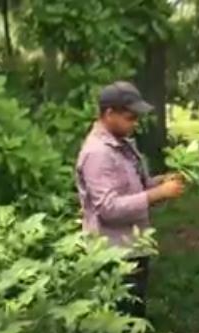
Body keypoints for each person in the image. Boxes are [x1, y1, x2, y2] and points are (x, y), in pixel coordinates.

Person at [76, 81, 185, 318]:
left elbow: (134, 187)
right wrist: (159, 194)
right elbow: (108, 208)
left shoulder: (121, 144)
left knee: (135, 313)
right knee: (121, 319)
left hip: (132, 246)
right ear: (109, 114)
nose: (135, 123)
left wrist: (160, 182)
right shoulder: (98, 153)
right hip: (114, 253)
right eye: (130, 117)